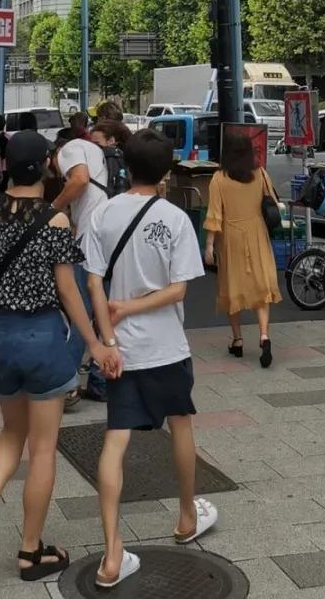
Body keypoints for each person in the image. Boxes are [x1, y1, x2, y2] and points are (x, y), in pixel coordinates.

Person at [0, 130, 120, 580]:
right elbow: (68, 291)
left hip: (0, 336)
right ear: (47, 167)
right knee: (43, 448)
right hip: (43, 339)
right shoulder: (55, 220)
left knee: (11, 432)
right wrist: (94, 344)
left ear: (6, 166)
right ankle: (30, 552)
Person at [84, 130, 217, 588]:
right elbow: (179, 290)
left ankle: (111, 555)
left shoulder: (103, 213)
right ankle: (187, 515)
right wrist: (133, 306)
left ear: (125, 166)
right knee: (181, 423)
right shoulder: (175, 218)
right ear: (166, 170)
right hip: (167, 347)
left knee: (115, 440)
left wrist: (108, 336)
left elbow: (93, 282)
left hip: (121, 349)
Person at [55, 117, 131, 401]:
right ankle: (101, 381)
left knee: (81, 312)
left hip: (91, 242)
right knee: (106, 311)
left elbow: (79, 180)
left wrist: (52, 208)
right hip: (117, 239)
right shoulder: (109, 159)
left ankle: (66, 383)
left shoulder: (71, 149)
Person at [204, 130, 280, 367]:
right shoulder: (260, 174)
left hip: (231, 236)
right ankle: (264, 335)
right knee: (261, 284)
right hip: (257, 232)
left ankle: (237, 339)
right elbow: (273, 201)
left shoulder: (219, 178)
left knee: (232, 286)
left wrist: (209, 245)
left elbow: (214, 215)